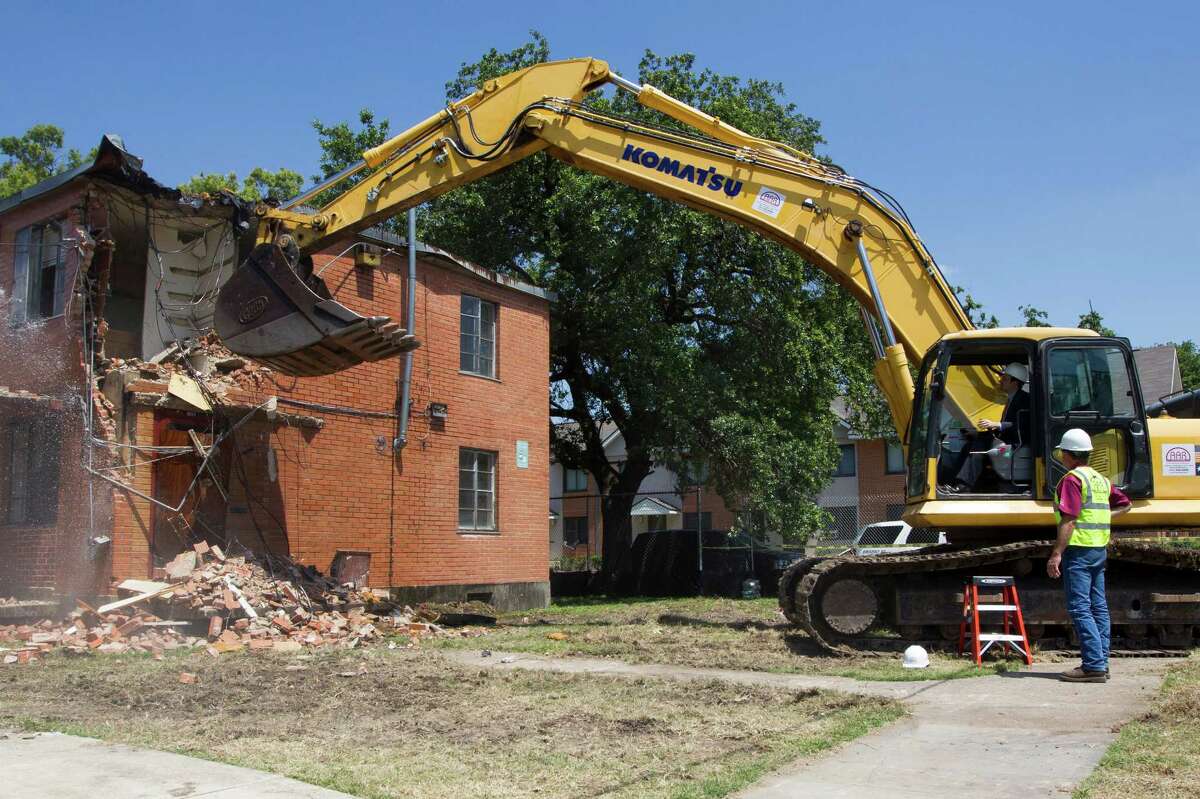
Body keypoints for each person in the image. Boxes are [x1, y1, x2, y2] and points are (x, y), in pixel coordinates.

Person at [1046, 428, 1131, 683]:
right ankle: (1101, 662)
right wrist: (1104, 517)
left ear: (1066, 454)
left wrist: (1056, 554)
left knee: (1080, 607)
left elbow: (1069, 520)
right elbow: (1126, 505)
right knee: (1099, 607)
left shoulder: (1072, 480)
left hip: (1079, 550)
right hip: (1098, 549)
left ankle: (1093, 665)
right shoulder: (1100, 479)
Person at [943, 362, 1032, 492]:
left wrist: (997, 424)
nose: (1001, 380)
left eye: (1005, 378)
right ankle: (953, 482)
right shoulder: (1012, 399)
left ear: (1015, 382)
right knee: (972, 443)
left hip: (1015, 444)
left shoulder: (1025, 400)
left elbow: (1022, 425)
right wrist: (979, 433)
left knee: (977, 451)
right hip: (1006, 440)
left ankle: (963, 485)